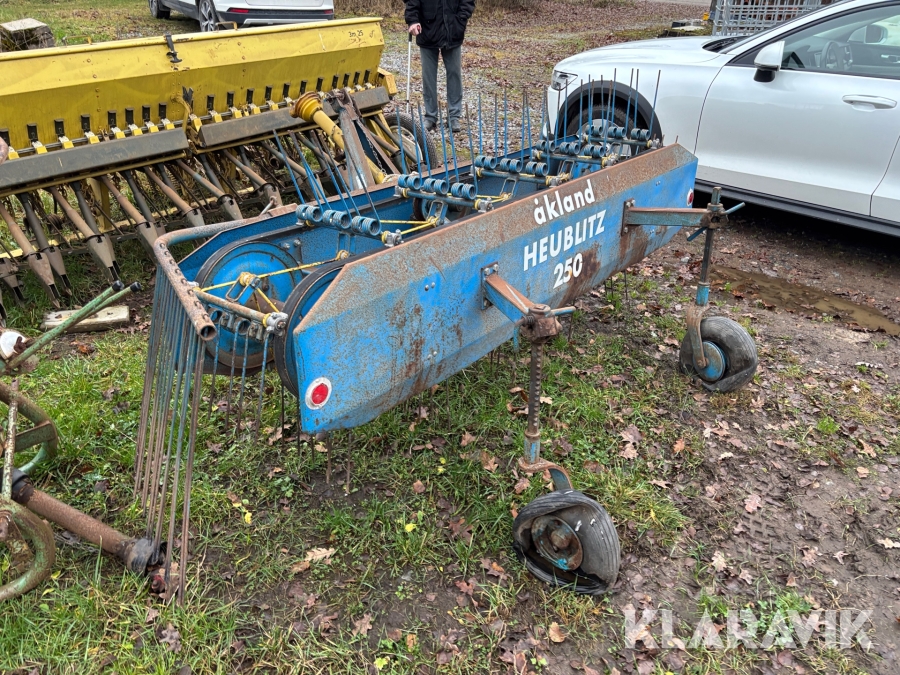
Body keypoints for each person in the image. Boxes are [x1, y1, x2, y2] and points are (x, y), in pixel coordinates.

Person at [405, 0, 475, 133]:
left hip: (453, 31)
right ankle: (430, 116)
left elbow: (467, 2)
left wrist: (461, 19)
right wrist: (412, 20)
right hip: (427, 31)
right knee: (428, 77)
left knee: (454, 74)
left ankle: (454, 116)